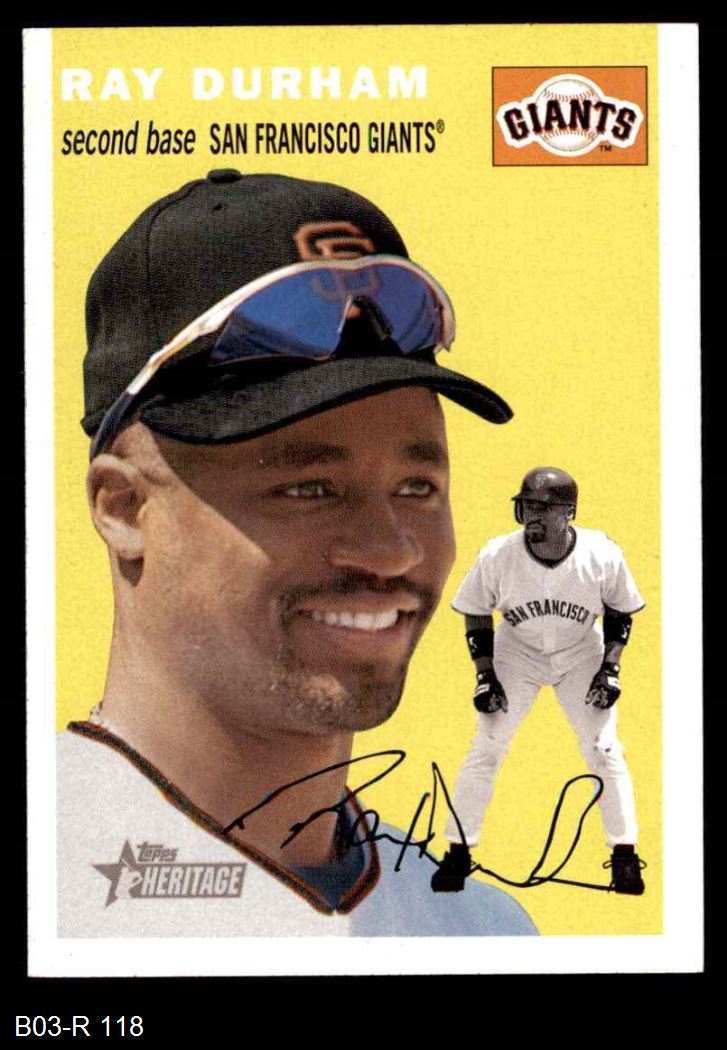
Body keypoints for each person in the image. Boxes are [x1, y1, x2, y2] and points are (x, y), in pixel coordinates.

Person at [57, 169, 537, 937]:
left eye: (416, 487)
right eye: (308, 488)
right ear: (124, 509)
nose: (389, 551)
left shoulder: (483, 930)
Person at [431, 466, 646, 896]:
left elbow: (620, 610)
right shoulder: (498, 554)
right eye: (526, 506)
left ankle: (624, 854)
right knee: (487, 745)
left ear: (568, 512)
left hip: (581, 650)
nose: (531, 515)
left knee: (604, 747)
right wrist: (485, 674)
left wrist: (610, 668)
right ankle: (458, 851)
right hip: (519, 650)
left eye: (542, 508)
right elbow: (476, 610)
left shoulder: (600, 554)